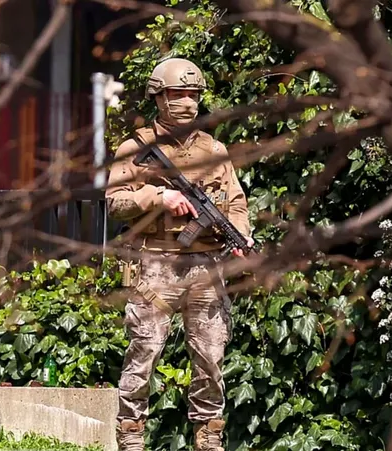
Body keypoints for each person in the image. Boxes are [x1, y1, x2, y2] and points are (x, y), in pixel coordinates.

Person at [105, 57, 253, 451]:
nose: (187, 102)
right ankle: (131, 436)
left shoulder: (214, 148)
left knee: (210, 357)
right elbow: (115, 203)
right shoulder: (135, 148)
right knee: (144, 353)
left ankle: (209, 438)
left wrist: (240, 236)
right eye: (178, 94)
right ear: (159, 96)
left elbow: (236, 202)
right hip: (154, 263)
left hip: (205, 267)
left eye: (193, 94)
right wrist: (158, 195)